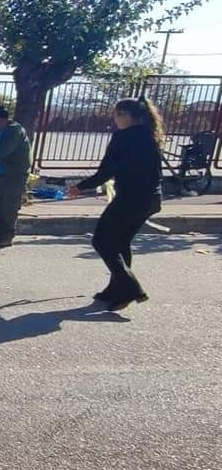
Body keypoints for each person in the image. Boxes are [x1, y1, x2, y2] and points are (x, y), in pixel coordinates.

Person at [67, 97, 164, 311]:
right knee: (121, 243)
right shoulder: (150, 135)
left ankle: (131, 288)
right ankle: (116, 290)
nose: (115, 119)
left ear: (127, 116)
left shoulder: (124, 137)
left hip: (131, 198)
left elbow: (107, 171)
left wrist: (80, 187)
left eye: (117, 114)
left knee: (101, 241)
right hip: (151, 198)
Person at [0, 105, 32, 248]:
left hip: (15, 174)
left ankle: (6, 236)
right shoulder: (0, 131)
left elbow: (2, 151)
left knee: (9, 206)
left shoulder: (14, 130)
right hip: (2, 174)